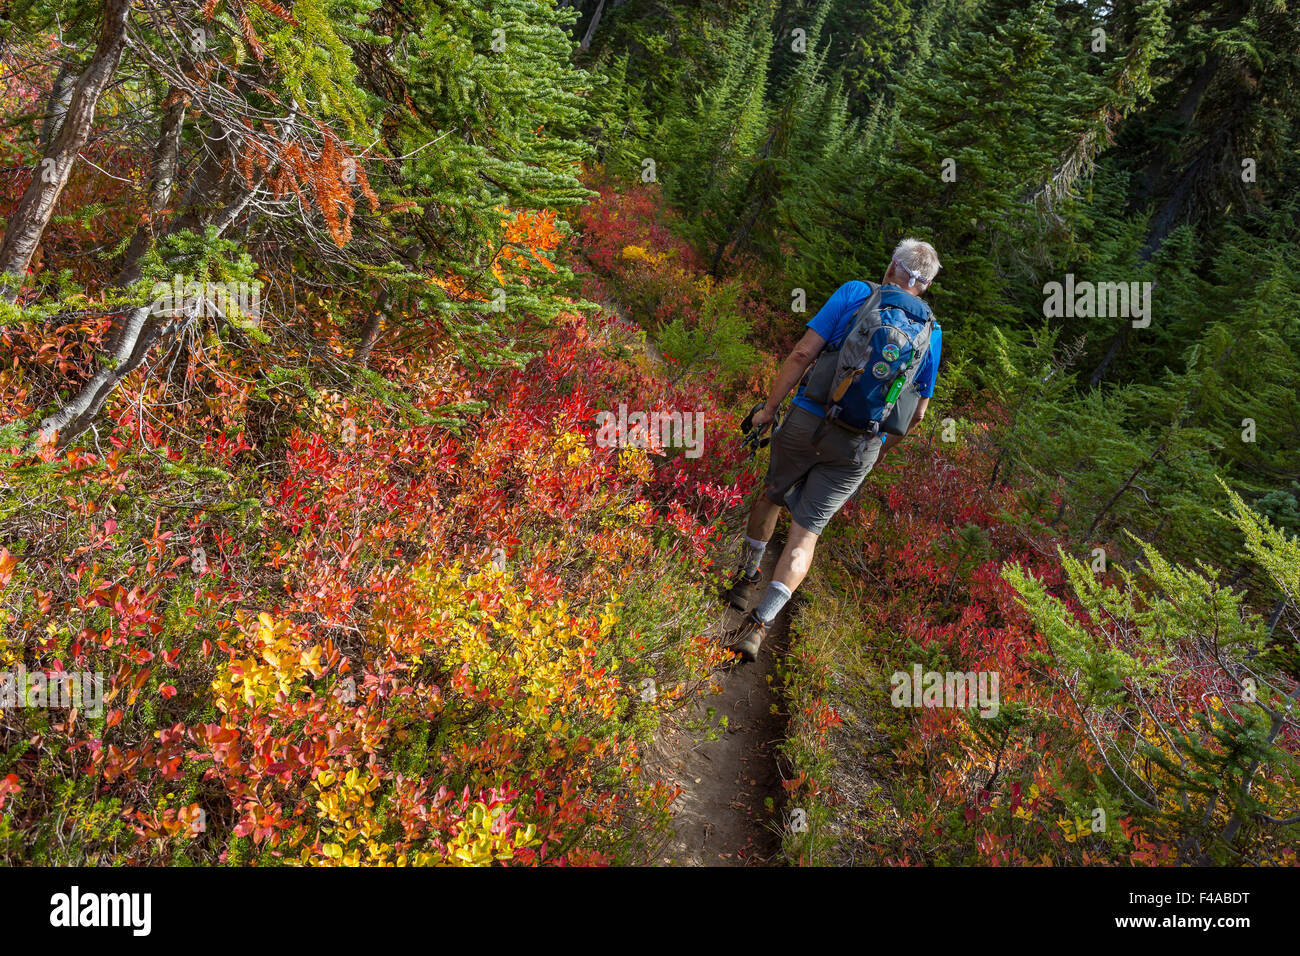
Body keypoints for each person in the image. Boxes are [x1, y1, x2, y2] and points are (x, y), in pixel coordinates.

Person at [721, 238, 943, 662]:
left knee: (771, 496)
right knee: (807, 535)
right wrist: (876, 451)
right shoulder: (932, 332)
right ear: (926, 286)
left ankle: (746, 578)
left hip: (807, 419)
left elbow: (804, 352)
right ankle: (759, 625)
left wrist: (769, 409)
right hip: (861, 446)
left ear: (892, 265)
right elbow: (916, 415)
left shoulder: (858, 293)